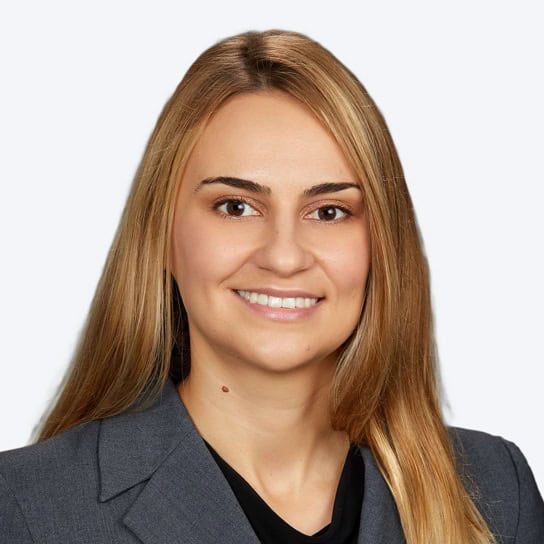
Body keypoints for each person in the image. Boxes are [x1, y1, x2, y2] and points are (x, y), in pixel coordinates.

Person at [0, 29, 542, 544]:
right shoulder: (26, 506)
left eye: (328, 211)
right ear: (160, 235)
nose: (284, 256)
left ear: (382, 246)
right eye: (236, 207)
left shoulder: (499, 489)